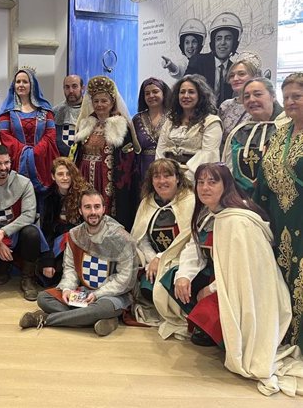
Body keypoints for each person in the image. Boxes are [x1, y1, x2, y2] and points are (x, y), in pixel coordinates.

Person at [157, 163, 303, 396]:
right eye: (201, 182)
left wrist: (212, 289)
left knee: (205, 315)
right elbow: (195, 248)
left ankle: (223, 336)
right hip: (222, 278)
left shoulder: (239, 220)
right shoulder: (209, 212)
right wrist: (184, 276)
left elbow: (244, 271)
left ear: (226, 186)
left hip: (247, 289)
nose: (205, 187)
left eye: (212, 182)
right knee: (170, 279)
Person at [19, 189, 136, 337]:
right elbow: (70, 268)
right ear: (80, 210)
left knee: (103, 307)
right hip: (84, 292)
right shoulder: (75, 235)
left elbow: (125, 278)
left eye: (97, 207)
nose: (93, 212)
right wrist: (67, 289)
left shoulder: (121, 237)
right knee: (44, 298)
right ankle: (103, 319)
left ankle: (44, 319)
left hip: (110, 295)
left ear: (104, 209)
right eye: (87, 207)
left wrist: (99, 294)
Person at [256, 72, 303, 351]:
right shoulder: (281, 132)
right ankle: (284, 337)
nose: (290, 102)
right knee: (281, 279)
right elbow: (264, 176)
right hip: (278, 218)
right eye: (286, 97)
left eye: (297, 96)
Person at [0, 145, 48, 301]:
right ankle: (2, 269)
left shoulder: (24, 183)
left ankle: (28, 278)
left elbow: (29, 215)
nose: (3, 167)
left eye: (6, 163)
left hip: (17, 234)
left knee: (32, 233)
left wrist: (3, 232)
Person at [72, 75, 137, 230]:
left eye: (104, 101)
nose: (99, 105)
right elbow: (78, 154)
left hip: (108, 180)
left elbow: (127, 161)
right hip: (85, 176)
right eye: (96, 101)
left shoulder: (120, 126)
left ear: (112, 102)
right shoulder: (86, 124)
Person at [130, 159, 194, 304]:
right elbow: (140, 238)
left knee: (174, 294)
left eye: (167, 175)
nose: (162, 181)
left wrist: (162, 258)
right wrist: (152, 259)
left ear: (177, 178)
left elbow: (190, 240)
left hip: (181, 261)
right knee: (147, 290)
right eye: (156, 176)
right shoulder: (147, 203)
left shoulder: (190, 201)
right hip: (153, 263)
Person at [0, 68, 59, 193]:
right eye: (18, 81)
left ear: (32, 85)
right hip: (16, 161)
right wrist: (25, 151)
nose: (21, 85)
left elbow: (50, 134)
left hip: (42, 160)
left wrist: (37, 151)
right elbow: (5, 135)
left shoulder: (45, 110)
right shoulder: (7, 112)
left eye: (25, 82)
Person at [222, 77, 285, 195]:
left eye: (258, 94)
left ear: (273, 96)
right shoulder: (238, 133)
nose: (251, 99)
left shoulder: (290, 127)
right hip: (243, 202)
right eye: (246, 97)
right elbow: (229, 172)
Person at [155, 74, 222, 182]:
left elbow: (208, 156)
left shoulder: (211, 122)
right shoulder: (170, 121)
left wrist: (183, 181)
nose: (186, 96)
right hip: (167, 180)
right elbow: (160, 151)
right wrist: (161, 175)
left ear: (201, 95)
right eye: (182, 92)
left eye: (191, 92)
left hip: (195, 180)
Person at [38, 157, 86, 285]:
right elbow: (46, 230)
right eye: (60, 174)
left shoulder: (84, 194)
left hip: (81, 242)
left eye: (68, 173)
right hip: (57, 242)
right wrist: (48, 261)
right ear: (53, 177)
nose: (65, 178)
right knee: (46, 280)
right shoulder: (48, 197)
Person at [185, 12, 243, 105]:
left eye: (228, 38)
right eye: (219, 38)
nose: (223, 43)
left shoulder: (234, 70)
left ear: (234, 43)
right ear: (213, 42)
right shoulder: (198, 61)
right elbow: (185, 89)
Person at [132, 78, 171, 182]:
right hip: (143, 170)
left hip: (169, 167)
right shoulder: (137, 119)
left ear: (163, 93)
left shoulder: (174, 118)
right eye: (147, 93)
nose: (151, 96)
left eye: (155, 92)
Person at [218, 53, 261, 141]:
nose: (235, 78)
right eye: (232, 75)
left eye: (241, 74)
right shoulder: (225, 106)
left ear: (255, 76)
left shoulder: (261, 104)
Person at [53, 75, 85, 157]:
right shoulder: (55, 112)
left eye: (74, 86)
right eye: (67, 87)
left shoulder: (92, 110)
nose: (71, 91)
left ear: (82, 88)